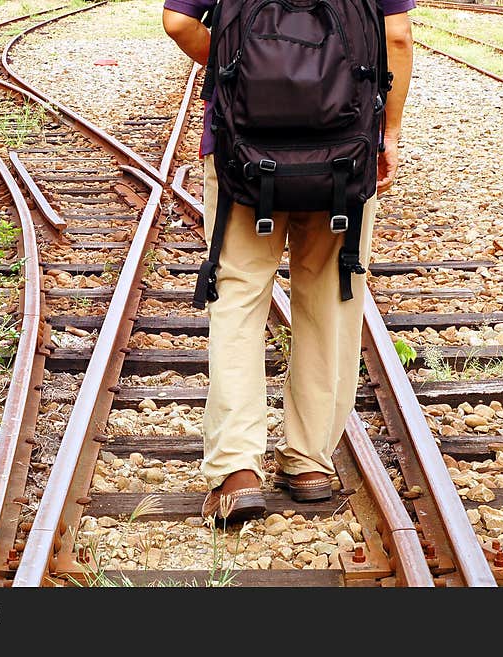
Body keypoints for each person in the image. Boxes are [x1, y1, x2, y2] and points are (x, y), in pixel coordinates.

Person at [162, 0, 415, 520]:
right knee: (331, 298)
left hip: (242, 150)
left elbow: (178, 22)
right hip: (344, 149)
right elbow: (397, 38)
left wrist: (243, 71)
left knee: (236, 296)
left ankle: (236, 469)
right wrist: (388, 134)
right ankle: (309, 463)